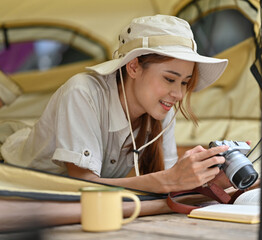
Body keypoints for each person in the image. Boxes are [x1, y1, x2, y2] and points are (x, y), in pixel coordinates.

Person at [1, 15, 230, 193]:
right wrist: (169, 180)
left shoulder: (162, 108)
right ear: (133, 67)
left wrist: (210, 179)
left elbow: (167, 182)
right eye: (170, 79)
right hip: (10, 178)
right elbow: (85, 185)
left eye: (185, 83)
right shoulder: (83, 92)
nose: (179, 94)